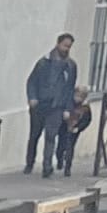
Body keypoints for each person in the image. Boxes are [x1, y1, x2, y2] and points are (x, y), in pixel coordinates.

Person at [25, 31, 78, 174]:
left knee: (51, 135)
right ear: (58, 44)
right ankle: (29, 163)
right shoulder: (43, 62)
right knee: (34, 135)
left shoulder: (70, 66)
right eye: (65, 46)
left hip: (57, 106)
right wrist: (32, 98)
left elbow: (70, 88)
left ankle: (46, 166)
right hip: (40, 104)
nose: (66, 49)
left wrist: (67, 108)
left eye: (69, 47)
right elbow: (32, 81)